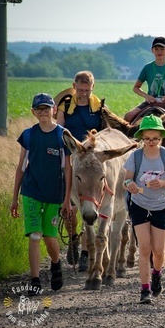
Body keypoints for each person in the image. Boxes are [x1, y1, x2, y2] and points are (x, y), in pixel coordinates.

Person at [10, 93, 72, 295]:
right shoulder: (28, 135)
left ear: (54, 110)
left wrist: (67, 199)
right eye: (39, 109)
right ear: (33, 112)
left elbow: (67, 169)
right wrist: (14, 198)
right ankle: (35, 280)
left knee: (49, 236)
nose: (43, 112)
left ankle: (55, 264)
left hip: (54, 193)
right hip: (31, 191)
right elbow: (21, 168)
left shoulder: (62, 135)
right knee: (35, 236)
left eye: (47, 108)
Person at [123, 115, 165, 304]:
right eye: (147, 138)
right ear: (141, 138)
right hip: (139, 205)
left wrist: (163, 182)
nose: (151, 142)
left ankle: (157, 273)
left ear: (162, 137)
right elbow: (126, 179)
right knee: (144, 248)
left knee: (158, 250)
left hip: (160, 207)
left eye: (155, 138)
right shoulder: (136, 156)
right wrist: (129, 185)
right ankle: (145, 289)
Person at [56, 70, 104, 270]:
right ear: (74, 86)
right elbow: (59, 130)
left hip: (90, 161)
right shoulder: (65, 105)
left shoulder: (99, 107)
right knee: (71, 207)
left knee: (88, 203)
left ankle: (85, 251)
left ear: (92, 88)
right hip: (70, 157)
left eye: (87, 90)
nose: (83, 93)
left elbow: (103, 132)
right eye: (80, 89)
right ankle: (73, 238)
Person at [124, 37, 165, 123]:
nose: (159, 52)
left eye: (162, 49)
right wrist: (146, 96)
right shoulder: (147, 68)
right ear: (152, 50)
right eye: (156, 49)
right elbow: (136, 88)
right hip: (151, 101)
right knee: (129, 116)